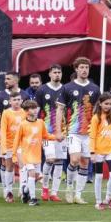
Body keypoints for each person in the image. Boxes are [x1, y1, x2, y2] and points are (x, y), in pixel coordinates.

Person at [55, 57, 101, 205]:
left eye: (86, 67)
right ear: (76, 69)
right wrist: (58, 130)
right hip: (73, 131)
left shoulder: (95, 89)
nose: (84, 70)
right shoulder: (67, 87)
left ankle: (78, 194)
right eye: (81, 67)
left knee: (85, 163)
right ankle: (69, 187)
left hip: (88, 133)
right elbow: (60, 109)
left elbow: (97, 110)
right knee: (74, 159)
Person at [12, 100, 56, 206]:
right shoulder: (22, 124)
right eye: (32, 108)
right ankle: (33, 198)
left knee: (36, 176)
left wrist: (56, 137)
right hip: (26, 154)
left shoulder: (40, 122)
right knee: (31, 173)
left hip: (36, 154)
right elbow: (16, 141)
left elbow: (45, 135)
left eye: (35, 107)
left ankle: (25, 190)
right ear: (26, 111)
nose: (35, 110)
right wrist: (14, 156)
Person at [36, 64, 65, 203]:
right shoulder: (42, 90)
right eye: (54, 72)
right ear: (49, 74)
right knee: (50, 159)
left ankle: (54, 192)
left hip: (62, 132)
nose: (57, 74)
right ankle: (45, 188)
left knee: (59, 161)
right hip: (46, 131)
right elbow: (37, 110)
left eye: (59, 72)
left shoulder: (66, 89)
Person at [0, 92, 24, 202]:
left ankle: (23, 190)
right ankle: (9, 192)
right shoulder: (6, 113)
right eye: (14, 100)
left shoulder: (24, 112)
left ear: (21, 101)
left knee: (23, 167)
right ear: (10, 101)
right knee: (9, 167)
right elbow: (3, 130)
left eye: (18, 99)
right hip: (9, 144)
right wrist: (3, 147)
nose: (16, 102)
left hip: (21, 145)